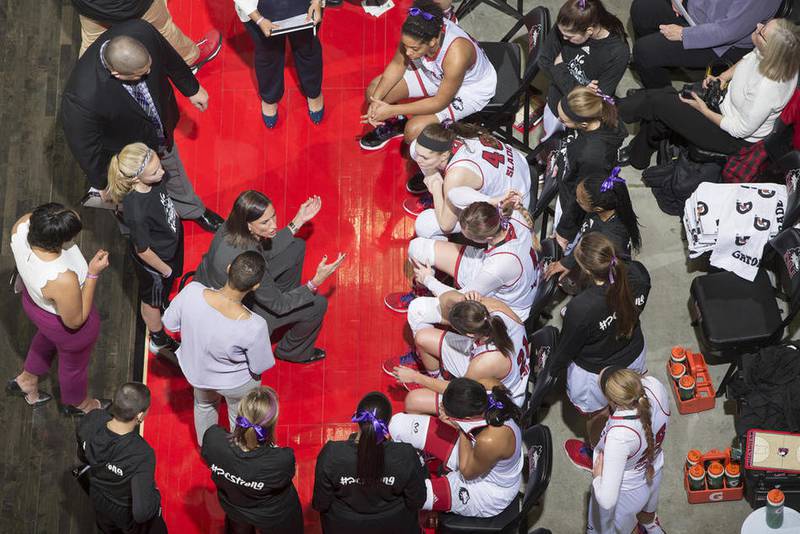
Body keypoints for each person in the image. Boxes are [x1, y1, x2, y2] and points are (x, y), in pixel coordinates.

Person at [61, 20, 224, 232]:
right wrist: (104, 184)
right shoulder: (81, 98)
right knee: (133, 202)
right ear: (117, 74)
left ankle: (191, 209)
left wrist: (191, 88)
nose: (148, 73)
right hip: (125, 154)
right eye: (141, 74)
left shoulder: (140, 31)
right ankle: (144, 230)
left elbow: (168, 56)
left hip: (159, 129)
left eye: (149, 67)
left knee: (173, 170)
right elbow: (86, 149)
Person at [620, 18, 800, 170]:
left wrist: (703, 109)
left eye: (762, 31)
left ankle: (611, 112)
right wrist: (722, 77)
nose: (758, 26)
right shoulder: (773, 55)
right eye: (764, 24)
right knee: (665, 102)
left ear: (771, 50)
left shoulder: (768, 88)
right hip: (724, 102)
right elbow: (748, 59)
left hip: (731, 136)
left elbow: (739, 129)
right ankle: (638, 154)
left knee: (660, 103)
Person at [194, 191, 346, 363]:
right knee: (318, 304)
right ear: (249, 225)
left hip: (211, 287)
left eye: (273, 216)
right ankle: (293, 352)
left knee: (296, 247)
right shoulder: (249, 262)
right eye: (265, 222)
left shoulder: (233, 226)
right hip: (231, 311)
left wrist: (298, 221)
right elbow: (278, 305)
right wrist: (315, 282)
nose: (273, 225)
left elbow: (263, 249)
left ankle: (286, 299)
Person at [547, 233, 651, 473]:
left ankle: (598, 454)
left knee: (598, 414)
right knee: (627, 401)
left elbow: (566, 349)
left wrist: (551, 370)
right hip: (633, 354)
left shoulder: (581, 308)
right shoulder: (639, 274)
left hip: (595, 373)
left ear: (585, 268)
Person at [6, 204, 111, 416]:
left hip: (35, 303)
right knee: (74, 367)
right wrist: (92, 274)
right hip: (66, 325)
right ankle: (78, 404)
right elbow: (75, 320)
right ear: (59, 242)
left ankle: (27, 380)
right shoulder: (61, 277)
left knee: (46, 339)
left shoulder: (22, 224)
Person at [164, 251, 275, 445]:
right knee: (240, 418)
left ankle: (208, 448)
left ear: (229, 268)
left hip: (198, 374)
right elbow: (259, 366)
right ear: (255, 286)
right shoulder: (254, 325)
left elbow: (170, 323)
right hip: (235, 384)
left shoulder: (192, 291)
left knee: (204, 406)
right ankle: (238, 450)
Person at [359, 0, 497, 156]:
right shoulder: (416, 28)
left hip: (468, 89)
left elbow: (439, 102)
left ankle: (450, 149)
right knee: (373, 91)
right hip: (435, 72)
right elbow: (398, 65)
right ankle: (398, 121)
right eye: (406, 46)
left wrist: (391, 110)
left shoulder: (457, 54)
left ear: (433, 42)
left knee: (413, 133)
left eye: (414, 48)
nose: (408, 52)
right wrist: (377, 101)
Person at [385, 197, 538, 322]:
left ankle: (428, 289)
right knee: (417, 248)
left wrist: (428, 280)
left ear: (487, 238)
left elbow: (461, 300)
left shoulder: (499, 265)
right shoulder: (512, 216)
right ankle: (436, 283)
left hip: (506, 307)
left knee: (419, 310)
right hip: (499, 272)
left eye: (468, 236)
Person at [389, 378, 523, 518]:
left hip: (488, 488)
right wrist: (458, 421)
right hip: (474, 448)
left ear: (465, 418)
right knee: (397, 425)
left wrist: (461, 427)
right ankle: (425, 462)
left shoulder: (490, 440)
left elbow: (466, 472)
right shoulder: (489, 385)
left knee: (409, 494)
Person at [385, 292, 530, 412]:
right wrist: (460, 296)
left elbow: (458, 390)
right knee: (422, 338)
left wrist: (416, 378)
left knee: (413, 401)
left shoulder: (484, 363)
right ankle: (439, 379)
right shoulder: (493, 307)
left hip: (502, 399)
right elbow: (444, 299)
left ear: (470, 335)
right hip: (495, 365)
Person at [107, 142, 184, 358]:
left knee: (159, 296)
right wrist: (165, 270)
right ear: (135, 178)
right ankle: (158, 338)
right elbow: (142, 250)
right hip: (157, 263)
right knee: (152, 300)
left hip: (168, 245)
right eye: (155, 171)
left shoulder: (154, 178)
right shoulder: (136, 211)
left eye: (159, 166)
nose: (162, 172)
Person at [312, 392, 427, 534]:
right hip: (395, 525)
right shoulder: (405, 456)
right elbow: (417, 501)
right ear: (387, 424)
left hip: (344, 526)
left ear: (357, 416)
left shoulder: (331, 454)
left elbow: (321, 503)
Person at [201, 387, 303, 534]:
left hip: (235, 508)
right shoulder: (280, 460)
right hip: (272, 515)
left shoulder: (213, 440)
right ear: (272, 424)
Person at [76, 382, 165, 533]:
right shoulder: (141, 453)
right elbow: (142, 512)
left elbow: (82, 456)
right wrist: (156, 498)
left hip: (99, 498)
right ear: (140, 415)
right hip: (125, 512)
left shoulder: (92, 419)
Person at [402, 122, 531, 227]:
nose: (419, 160)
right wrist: (431, 170)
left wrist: (436, 186)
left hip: (514, 204)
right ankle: (438, 183)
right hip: (519, 169)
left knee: (425, 225)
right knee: (414, 148)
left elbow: (446, 226)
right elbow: (420, 152)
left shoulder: (456, 175)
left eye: (424, 158)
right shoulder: (455, 133)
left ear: (444, 155)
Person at [629, 0, 782, 89]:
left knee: (645, 51)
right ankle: (657, 69)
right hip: (697, 14)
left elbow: (728, 31)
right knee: (641, 8)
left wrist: (684, 34)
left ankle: (659, 105)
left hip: (722, 43)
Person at [589, 368, 670, 534]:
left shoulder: (619, 437)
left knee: (622, 528)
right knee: (648, 511)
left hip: (627, 492)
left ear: (614, 401)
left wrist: (597, 478)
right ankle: (651, 527)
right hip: (654, 470)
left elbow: (607, 500)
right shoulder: (656, 386)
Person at [538, 0, 629, 141]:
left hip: (578, 118)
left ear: (589, 31)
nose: (563, 38)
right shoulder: (568, 23)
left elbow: (595, 101)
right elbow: (544, 61)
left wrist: (559, 68)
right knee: (548, 141)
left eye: (569, 37)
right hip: (555, 101)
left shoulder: (617, 52)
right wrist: (580, 89)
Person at [551, 87, 627, 250]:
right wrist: (562, 160)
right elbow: (573, 145)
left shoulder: (593, 157)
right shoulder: (597, 115)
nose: (559, 120)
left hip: (572, 203)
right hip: (571, 176)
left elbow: (581, 199)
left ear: (583, 124)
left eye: (564, 121)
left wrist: (564, 233)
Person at [234, 0, 325, 128]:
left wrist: (316, 2)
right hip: (258, 9)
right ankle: (270, 97)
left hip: (305, 4)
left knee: (307, 48)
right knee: (268, 54)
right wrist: (259, 19)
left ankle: (313, 91)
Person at [546, 168, 641, 282]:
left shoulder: (610, 237)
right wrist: (568, 262)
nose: (576, 200)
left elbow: (604, 270)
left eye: (580, 201)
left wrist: (570, 263)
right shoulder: (602, 212)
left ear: (598, 208)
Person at [71, 0, 222, 71]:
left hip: (90, 8)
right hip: (132, 5)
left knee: (92, 46)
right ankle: (190, 59)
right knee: (163, 28)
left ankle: (92, 97)